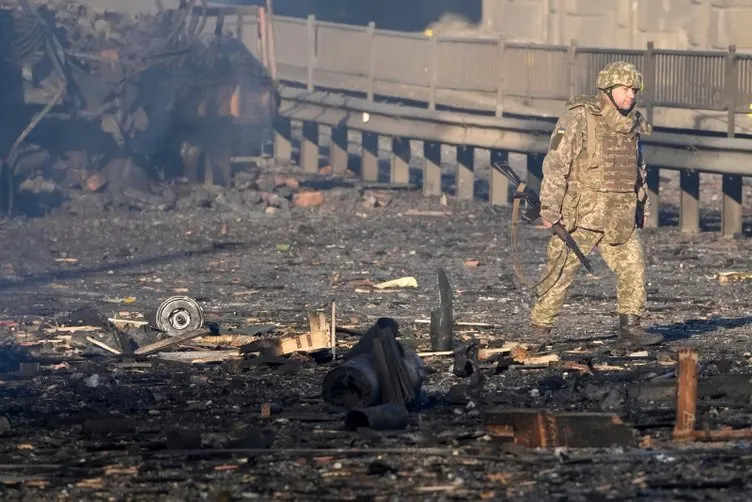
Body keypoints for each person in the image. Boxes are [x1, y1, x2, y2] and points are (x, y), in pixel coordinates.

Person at [527, 61, 664, 348]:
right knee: (560, 273)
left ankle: (630, 330)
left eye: (635, 90)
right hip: (581, 216)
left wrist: (643, 207)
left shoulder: (633, 124)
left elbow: (638, 170)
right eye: (625, 89)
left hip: (619, 216)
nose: (631, 95)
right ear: (607, 89)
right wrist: (550, 209)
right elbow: (556, 164)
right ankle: (540, 331)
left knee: (633, 267)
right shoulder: (579, 118)